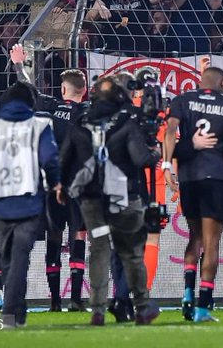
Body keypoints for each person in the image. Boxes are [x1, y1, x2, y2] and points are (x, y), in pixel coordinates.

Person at [59, 75, 160, 326]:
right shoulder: (127, 121)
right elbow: (141, 159)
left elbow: (64, 160)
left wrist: (60, 186)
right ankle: (141, 306)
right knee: (131, 252)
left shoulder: (82, 122)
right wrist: (156, 151)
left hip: (92, 199)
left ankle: (98, 309)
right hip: (124, 195)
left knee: (99, 250)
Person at [0, 82, 62, 329]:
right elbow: (50, 159)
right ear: (31, 103)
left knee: (9, 258)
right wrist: (57, 183)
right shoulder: (39, 126)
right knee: (18, 258)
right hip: (29, 202)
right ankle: (14, 309)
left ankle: (13, 311)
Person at [162, 64, 223, 323]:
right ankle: (202, 307)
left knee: (195, 238)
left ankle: (187, 293)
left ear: (201, 81)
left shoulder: (183, 100)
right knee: (211, 243)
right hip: (215, 178)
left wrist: (168, 166)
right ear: (222, 84)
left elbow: (170, 132)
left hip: (189, 178)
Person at [44, 69, 89, 313]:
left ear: (63, 90)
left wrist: (19, 65)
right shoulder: (87, 112)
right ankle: (75, 299)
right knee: (78, 236)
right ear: (85, 90)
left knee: (54, 236)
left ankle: (54, 301)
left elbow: (28, 90)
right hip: (78, 185)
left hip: (52, 184)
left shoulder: (51, 109)